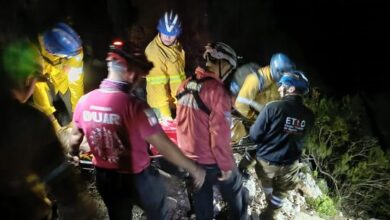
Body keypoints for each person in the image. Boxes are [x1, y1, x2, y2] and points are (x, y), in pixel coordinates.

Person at [69, 40, 205, 220]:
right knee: (159, 214)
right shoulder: (135, 107)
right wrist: (193, 168)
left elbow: (74, 138)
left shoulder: (84, 102)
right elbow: (164, 146)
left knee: (118, 216)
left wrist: (73, 154)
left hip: (105, 178)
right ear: (130, 71)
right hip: (138, 179)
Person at [0, 39, 97, 219]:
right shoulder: (28, 122)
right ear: (28, 80)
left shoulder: (74, 53)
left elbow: (76, 87)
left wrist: (78, 117)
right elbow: (66, 189)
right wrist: (58, 134)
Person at [176, 42, 248, 220]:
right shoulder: (217, 91)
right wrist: (226, 166)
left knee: (203, 203)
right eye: (229, 68)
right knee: (238, 188)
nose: (229, 73)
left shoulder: (184, 85)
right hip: (211, 161)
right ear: (221, 63)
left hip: (189, 160)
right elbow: (219, 135)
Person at [249, 70, 314, 219]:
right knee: (282, 191)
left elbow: (255, 135)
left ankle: (268, 198)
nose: (279, 88)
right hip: (290, 165)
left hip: (267, 162)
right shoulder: (310, 115)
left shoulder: (272, 107)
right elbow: (301, 137)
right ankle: (270, 213)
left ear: (291, 89)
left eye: (282, 85)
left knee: (267, 183)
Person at [230, 53, 296, 144]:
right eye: (285, 75)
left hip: (259, 118)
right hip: (244, 115)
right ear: (278, 71)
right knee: (235, 135)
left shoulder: (277, 83)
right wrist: (254, 117)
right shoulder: (255, 80)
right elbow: (240, 104)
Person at [32, 22, 84, 132]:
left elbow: (76, 82)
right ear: (51, 52)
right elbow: (39, 91)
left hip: (63, 81)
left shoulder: (75, 50)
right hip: (44, 82)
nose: (69, 59)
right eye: (66, 57)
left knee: (73, 115)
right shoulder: (34, 55)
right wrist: (52, 121)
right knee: (47, 125)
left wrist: (77, 113)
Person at [145, 10, 186, 120]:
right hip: (160, 108)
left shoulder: (176, 47)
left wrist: (181, 105)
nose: (167, 38)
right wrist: (166, 115)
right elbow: (157, 87)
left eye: (172, 34)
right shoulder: (155, 52)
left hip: (175, 104)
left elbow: (178, 78)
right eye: (165, 33)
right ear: (159, 30)